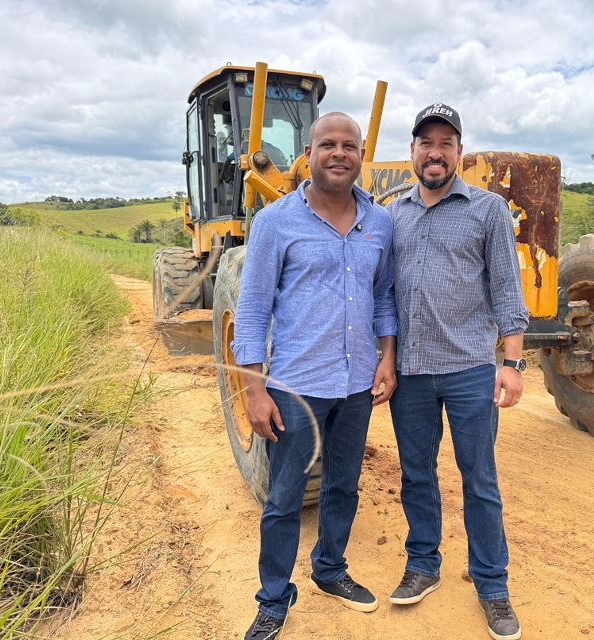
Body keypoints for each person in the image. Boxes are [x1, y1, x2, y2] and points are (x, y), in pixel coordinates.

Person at [231, 112, 397, 640]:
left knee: (343, 486)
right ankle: (273, 600)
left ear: (361, 153)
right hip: (296, 387)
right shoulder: (276, 222)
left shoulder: (380, 222)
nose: (339, 153)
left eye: (349, 145)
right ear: (309, 152)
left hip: (355, 386)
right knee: (283, 498)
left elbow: (385, 297)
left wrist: (387, 357)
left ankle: (330, 570)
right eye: (328, 144)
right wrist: (255, 389)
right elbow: (253, 310)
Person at [386, 102, 529, 640]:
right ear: (414, 152)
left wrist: (511, 363)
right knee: (416, 475)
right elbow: (385, 296)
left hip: (471, 369)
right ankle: (423, 564)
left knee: (480, 479)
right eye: (427, 142)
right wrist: (388, 361)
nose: (436, 152)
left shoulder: (489, 209)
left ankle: (493, 586)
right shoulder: (392, 212)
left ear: (459, 153)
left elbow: (507, 292)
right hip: (413, 375)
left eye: (446, 143)